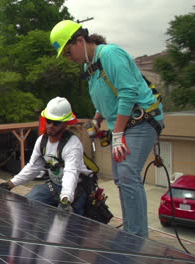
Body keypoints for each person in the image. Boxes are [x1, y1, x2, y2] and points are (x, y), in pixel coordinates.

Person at [50, 20, 164, 237]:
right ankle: (132, 232)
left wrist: (118, 133)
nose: (68, 58)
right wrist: (96, 118)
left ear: (80, 41)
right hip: (124, 124)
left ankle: (137, 238)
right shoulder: (89, 66)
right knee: (121, 178)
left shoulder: (110, 54)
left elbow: (128, 92)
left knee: (128, 174)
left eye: (67, 51)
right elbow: (106, 97)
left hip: (142, 120)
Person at [0, 97, 92, 215]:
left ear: (65, 124)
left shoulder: (73, 145)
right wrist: (10, 184)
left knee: (67, 221)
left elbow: (71, 173)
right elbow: (33, 167)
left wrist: (65, 200)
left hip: (76, 189)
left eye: (56, 123)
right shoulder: (42, 142)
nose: (51, 126)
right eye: (48, 121)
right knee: (28, 203)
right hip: (54, 186)